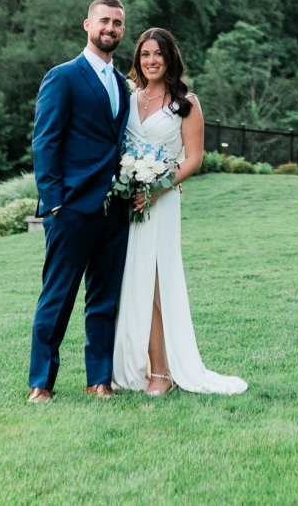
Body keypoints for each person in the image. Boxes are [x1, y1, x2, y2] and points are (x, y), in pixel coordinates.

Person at [113, 26, 246, 397]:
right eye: (145, 54)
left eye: (158, 54)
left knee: (155, 282)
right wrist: (127, 183)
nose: (151, 60)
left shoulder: (185, 102)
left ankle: (162, 372)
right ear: (138, 59)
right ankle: (132, 364)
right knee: (131, 282)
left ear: (170, 58)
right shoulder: (129, 98)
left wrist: (157, 188)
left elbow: (194, 158)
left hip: (161, 202)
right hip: (127, 201)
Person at [27, 0, 130, 401]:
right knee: (58, 298)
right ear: (87, 24)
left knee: (104, 299)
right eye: (104, 20)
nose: (111, 28)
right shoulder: (63, 77)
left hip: (114, 209)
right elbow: (45, 141)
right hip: (70, 209)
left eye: (118, 23)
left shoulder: (123, 84)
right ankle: (41, 384)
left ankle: (98, 380)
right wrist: (54, 203)